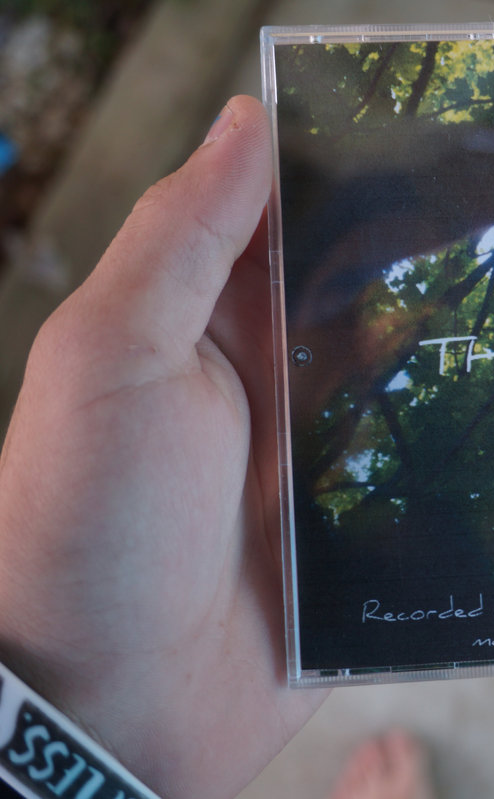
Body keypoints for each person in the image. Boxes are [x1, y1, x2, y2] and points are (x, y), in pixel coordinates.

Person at [0, 95, 432, 799]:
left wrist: (73, 725)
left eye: (420, 326)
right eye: (354, 297)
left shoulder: (364, 556)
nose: (377, 347)